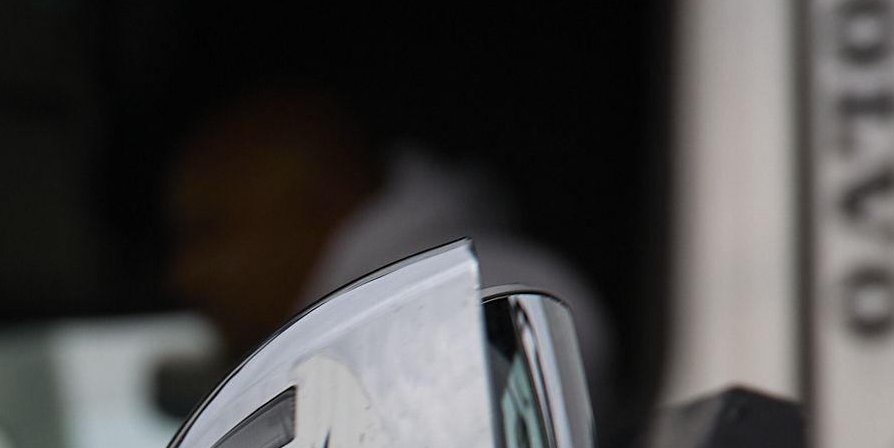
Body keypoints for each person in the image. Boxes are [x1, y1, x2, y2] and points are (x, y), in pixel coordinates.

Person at [164, 86, 616, 407]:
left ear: (321, 208)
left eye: (212, 233)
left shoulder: (480, 292)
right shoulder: (378, 320)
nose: (186, 274)